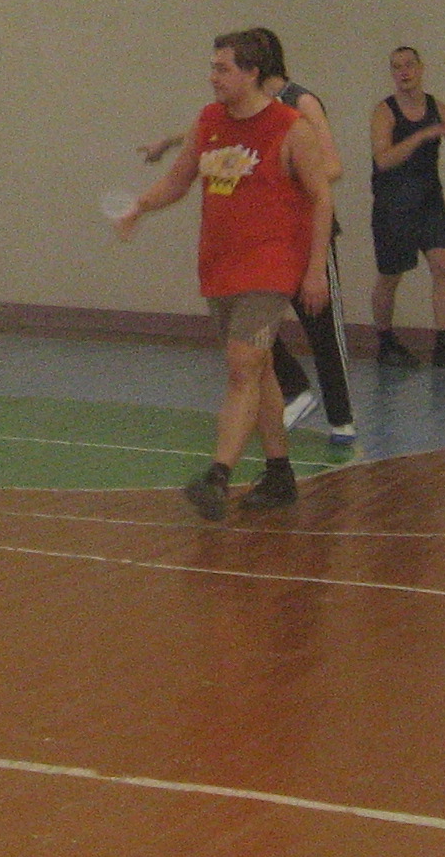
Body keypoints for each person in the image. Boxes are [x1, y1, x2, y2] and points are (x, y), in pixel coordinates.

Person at [116, 28, 334, 520]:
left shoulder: (290, 127)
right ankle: (279, 473)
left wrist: (315, 269)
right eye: (212, 68)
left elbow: (322, 197)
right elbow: (178, 181)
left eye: (223, 68)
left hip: (271, 264)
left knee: (241, 367)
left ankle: (217, 475)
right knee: (259, 370)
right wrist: (139, 206)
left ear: (252, 72)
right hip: (219, 265)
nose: (213, 77)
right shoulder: (209, 121)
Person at [141, 28, 354, 444]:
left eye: (224, 66)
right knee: (251, 329)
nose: (216, 75)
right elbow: (209, 137)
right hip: (255, 242)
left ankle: (341, 418)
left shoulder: (299, 105)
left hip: (300, 230)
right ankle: (291, 399)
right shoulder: (230, 110)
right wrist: (167, 143)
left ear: (257, 64)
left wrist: (280, 183)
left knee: (321, 325)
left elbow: (330, 167)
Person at [367, 46, 445, 367]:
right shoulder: (384, 112)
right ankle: (385, 340)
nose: (404, 72)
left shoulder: (437, 108)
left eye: (409, 65)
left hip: (429, 201)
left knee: (443, 266)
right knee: (391, 275)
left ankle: (443, 342)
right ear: (392, 73)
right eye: (396, 67)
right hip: (393, 204)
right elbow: (383, 159)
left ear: (420, 68)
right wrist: (420, 136)